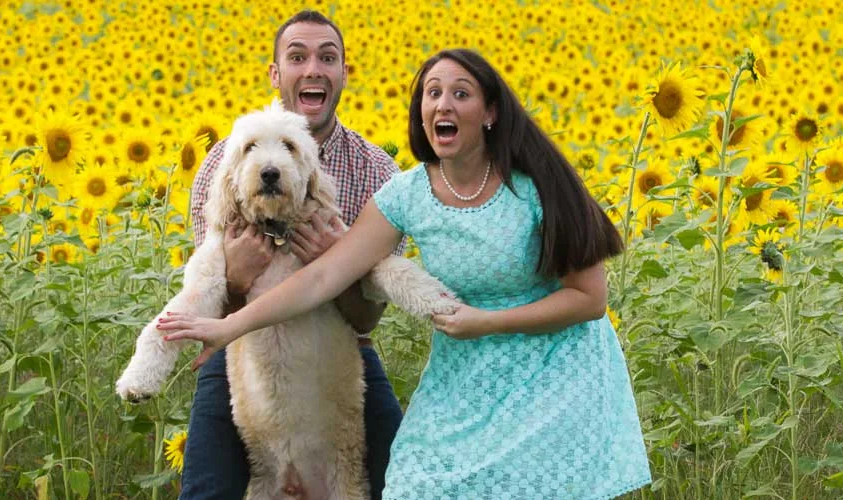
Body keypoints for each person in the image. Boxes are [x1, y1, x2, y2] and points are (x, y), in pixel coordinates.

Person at [162, 48, 652, 499]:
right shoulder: (407, 194)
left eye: (461, 93)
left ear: (491, 112)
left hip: (554, 373)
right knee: (412, 484)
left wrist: (485, 321)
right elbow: (320, 278)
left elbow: (590, 298)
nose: (443, 105)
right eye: (432, 93)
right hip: (466, 371)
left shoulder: (537, 184)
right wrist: (228, 323)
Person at [180, 10, 404, 500]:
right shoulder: (223, 162)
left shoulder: (376, 171)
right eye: (297, 57)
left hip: (338, 353)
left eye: (328, 58)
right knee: (206, 487)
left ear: (345, 72)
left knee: (405, 473)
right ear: (275, 74)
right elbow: (208, 301)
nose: (313, 70)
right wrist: (237, 279)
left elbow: (367, 320)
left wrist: (340, 266)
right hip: (242, 351)